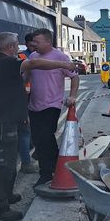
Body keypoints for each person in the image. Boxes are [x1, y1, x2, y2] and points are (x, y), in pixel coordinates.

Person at [0, 32, 76, 221]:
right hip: (1, 122)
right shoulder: (6, 63)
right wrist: (64, 65)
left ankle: (7, 196)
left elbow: (19, 84)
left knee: (9, 161)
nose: (20, 48)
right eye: (16, 45)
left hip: (8, 119)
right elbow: (32, 66)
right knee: (3, 165)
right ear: (9, 47)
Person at [27, 29, 79, 187]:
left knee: (46, 136)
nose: (33, 44)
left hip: (52, 104)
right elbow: (27, 76)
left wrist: (73, 96)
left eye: (37, 42)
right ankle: (58, 165)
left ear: (48, 42)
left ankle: (45, 173)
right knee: (39, 140)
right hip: (34, 105)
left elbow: (74, 76)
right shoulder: (32, 57)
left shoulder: (61, 57)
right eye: (33, 42)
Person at [17, 32, 38, 174]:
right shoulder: (21, 57)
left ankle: (35, 154)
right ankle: (26, 162)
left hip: (38, 96)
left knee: (36, 128)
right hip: (24, 97)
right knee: (25, 130)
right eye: (31, 45)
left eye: (36, 44)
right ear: (26, 44)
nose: (34, 47)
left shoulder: (41, 55)